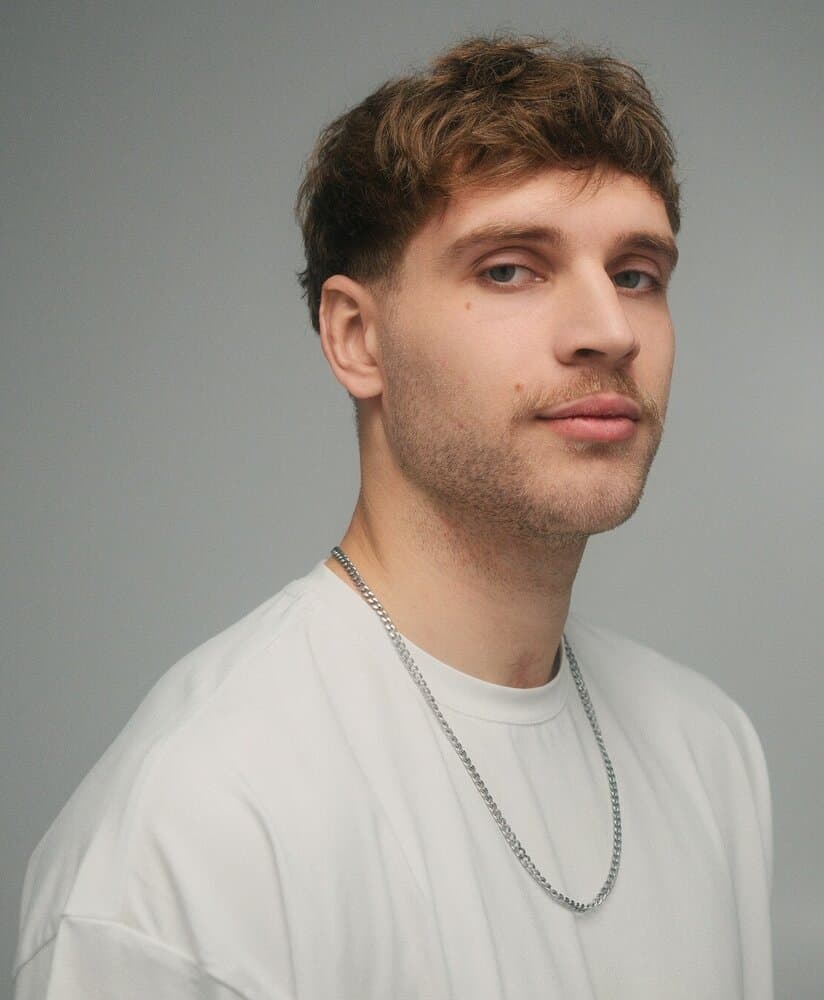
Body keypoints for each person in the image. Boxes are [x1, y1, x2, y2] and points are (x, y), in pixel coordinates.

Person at [14, 35, 773, 999]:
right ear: (357, 338)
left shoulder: (709, 753)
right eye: (510, 269)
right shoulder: (192, 834)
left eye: (635, 274)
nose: (610, 331)